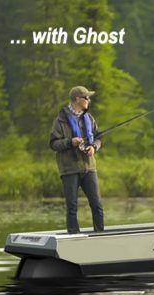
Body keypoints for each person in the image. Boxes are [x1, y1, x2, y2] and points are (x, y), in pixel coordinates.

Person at [49, 86, 104, 233]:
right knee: (72, 206)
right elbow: (53, 144)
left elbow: (98, 138)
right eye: (86, 98)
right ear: (77, 99)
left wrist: (94, 147)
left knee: (97, 204)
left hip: (89, 168)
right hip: (70, 169)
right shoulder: (60, 121)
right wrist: (69, 142)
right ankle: (73, 236)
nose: (89, 101)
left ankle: (100, 235)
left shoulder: (89, 118)